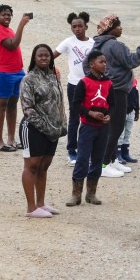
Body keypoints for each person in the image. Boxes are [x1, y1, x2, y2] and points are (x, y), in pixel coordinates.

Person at [92, 14, 140, 178]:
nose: (121, 28)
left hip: (108, 90)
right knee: (116, 127)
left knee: (112, 126)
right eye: (118, 26)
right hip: (118, 90)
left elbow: (87, 64)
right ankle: (104, 164)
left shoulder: (98, 44)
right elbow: (132, 61)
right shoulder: (114, 45)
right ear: (111, 29)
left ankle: (111, 160)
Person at [19, 44, 67, 218]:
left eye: (47, 56)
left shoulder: (54, 77)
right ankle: (31, 208)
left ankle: (41, 203)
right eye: (40, 55)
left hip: (53, 130)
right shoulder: (29, 79)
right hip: (33, 128)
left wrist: (61, 125)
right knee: (31, 166)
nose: (44, 58)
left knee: (43, 166)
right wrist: (45, 126)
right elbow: (27, 108)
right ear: (34, 58)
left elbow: (60, 103)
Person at [67, 51, 113, 206]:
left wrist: (109, 116)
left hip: (103, 128)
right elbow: (76, 104)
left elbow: (112, 104)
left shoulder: (108, 83)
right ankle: (76, 194)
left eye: (105, 62)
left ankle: (91, 193)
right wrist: (90, 113)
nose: (104, 64)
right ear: (91, 64)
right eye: (101, 62)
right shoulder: (84, 82)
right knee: (82, 159)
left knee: (98, 159)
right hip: (88, 127)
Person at [53, 12, 94, 166]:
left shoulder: (93, 43)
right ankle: (71, 150)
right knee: (75, 117)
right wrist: (51, 69)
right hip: (74, 85)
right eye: (74, 26)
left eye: (80, 26)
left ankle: (87, 148)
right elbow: (51, 55)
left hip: (91, 85)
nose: (77, 29)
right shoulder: (68, 42)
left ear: (86, 26)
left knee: (90, 117)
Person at [0, 4, 31, 152]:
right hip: (3, 72)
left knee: (13, 105)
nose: (6, 17)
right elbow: (13, 45)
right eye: (3, 15)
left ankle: (11, 139)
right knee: (1, 105)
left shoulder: (8, 29)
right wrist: (22, 25)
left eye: (8, 14)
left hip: (16, 72)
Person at [116, 78, 140, 164]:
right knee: (120, 133)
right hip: (121, 111)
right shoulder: (119, 81)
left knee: (128, 132)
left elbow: (136, 95)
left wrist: (137, 110)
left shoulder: (133, 80)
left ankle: (125, 152)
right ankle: (117, 153)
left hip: (131, 110)